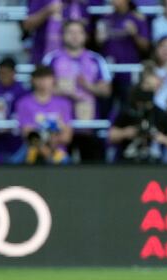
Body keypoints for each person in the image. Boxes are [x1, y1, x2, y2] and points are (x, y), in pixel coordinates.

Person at [43, 20, 111, 161]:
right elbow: (41, 87)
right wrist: (64, 91)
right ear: (63, 35)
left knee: (91, 168)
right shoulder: (52, 59)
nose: (74, 36)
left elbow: (107, 90)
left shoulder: (96, 59)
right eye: (70, 32)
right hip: (58, 126)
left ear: (85, 36)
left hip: (88, 124)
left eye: (79, 32)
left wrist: (88, 86)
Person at [108, 64, 167, 162]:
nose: (149, 90)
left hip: (154, 163)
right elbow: (111, 135)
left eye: (153, 87)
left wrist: (160, 138)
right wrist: (126, 132)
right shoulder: (127, 110)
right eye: (147, 85)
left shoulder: (160, 113)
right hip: (126, 163)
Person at [96, 0, 149, 108]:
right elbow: (97, 43)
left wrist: (135, 34)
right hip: (109, 70)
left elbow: (146, 46)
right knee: (105, 105)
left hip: (128, 70)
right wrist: (99, 39)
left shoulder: (137, 18)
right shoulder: (105, 18)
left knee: (128, 105)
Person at [15, 65, 73, 164]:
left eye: (46, 77)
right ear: (32, 80)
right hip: (31, 151)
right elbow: (28, 134)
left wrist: (49, 147)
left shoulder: (64, 104)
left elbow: (67, 137)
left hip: (57, 151)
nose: (43, 81)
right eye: (39, 78)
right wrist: (43, 147)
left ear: (53, 79)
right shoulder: (23, 103)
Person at [23, 0, 89, 64]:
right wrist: (47, 11)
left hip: (76, 61)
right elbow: (27, 25)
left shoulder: (81, 3)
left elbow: (88, 32)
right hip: (43, 58)